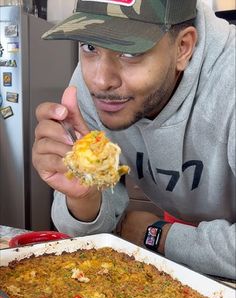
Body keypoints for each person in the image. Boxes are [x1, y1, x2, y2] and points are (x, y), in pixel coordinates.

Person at [32, 0, 236, 280]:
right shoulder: (89, 87)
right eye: (90, 47)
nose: (101, 80)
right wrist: (84, 196)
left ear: (183, 48)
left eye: (129, 51)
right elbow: (89, 239)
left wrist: (158, 236)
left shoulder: (230, 82)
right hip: (192, 231)